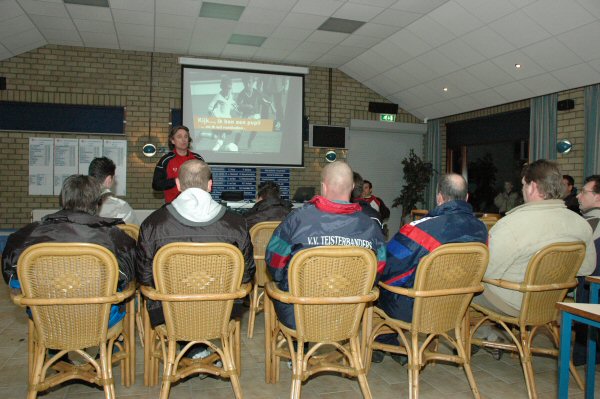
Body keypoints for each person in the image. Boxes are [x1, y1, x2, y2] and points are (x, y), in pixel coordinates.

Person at [373, 173, 488, 363]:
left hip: (417, 308)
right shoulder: (481, 229)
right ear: (467, 198)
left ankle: (389, 342)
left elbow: (388, 267)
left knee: (379, 288)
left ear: (439, 197)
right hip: (457, 306)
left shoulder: (418, 230)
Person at [265, 161, 386, 330]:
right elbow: (378, 269)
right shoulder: (370, 226)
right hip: (349, 313)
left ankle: (298, 351)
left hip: (299, 312)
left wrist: (285, 282)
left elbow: (274, 261)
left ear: (323, 187)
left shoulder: (298, 219)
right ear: (352, 187)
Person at [138, 159, 255, 329]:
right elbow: (246, 274)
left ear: (178, 184)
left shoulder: (152, 224)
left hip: (168, 312)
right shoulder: (237, 224)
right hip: (223, 310)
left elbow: (145, 277)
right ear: (210, 185)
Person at [474, 160, 595, 316]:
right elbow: (587, 268)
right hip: (553, 302)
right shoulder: (581, 224)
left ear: (532, 187)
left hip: (512, 303)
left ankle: (467, 336)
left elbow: (485, 272)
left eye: (524, 185)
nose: (523, 189)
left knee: (461, 289)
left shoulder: (511, 224)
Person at [3, 174, 135, 300]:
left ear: (62, 199)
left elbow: (10, 276)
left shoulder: (26, 235)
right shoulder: (112, 236)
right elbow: (129, 274)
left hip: (44, 314)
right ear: (97, 204)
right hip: (100, 314)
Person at [572, 175, 600, 365]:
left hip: (591, 290)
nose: (578, 196)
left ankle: (585, 355)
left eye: (583, 192)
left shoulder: (589, 224)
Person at [152, 125, 204, 204]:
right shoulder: (166, 160)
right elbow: (156, 185)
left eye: (186, 137)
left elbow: (208, 180)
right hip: (173, 206)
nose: (183, 140)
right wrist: (176, 181)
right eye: (179, 137)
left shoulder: (197, 159)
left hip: (195, 204)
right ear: (172, 141)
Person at [88, 156, 139, 224]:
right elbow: (134, 232)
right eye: (113, 178)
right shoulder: (121, 207)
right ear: (108, 180)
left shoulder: (75, 203)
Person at [208, 76, 238, 152]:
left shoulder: (230, 96)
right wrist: (211, 114)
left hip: (227, 118)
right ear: (222, 87)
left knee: (216, 136)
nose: (228, 90)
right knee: (222, 135)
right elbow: (210, 107)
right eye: (227, 88)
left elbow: (231, 105)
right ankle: (215, 149)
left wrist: (235, 107)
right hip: (218, 118)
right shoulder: (218, 96)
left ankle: (202, 135)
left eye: (230, 88)